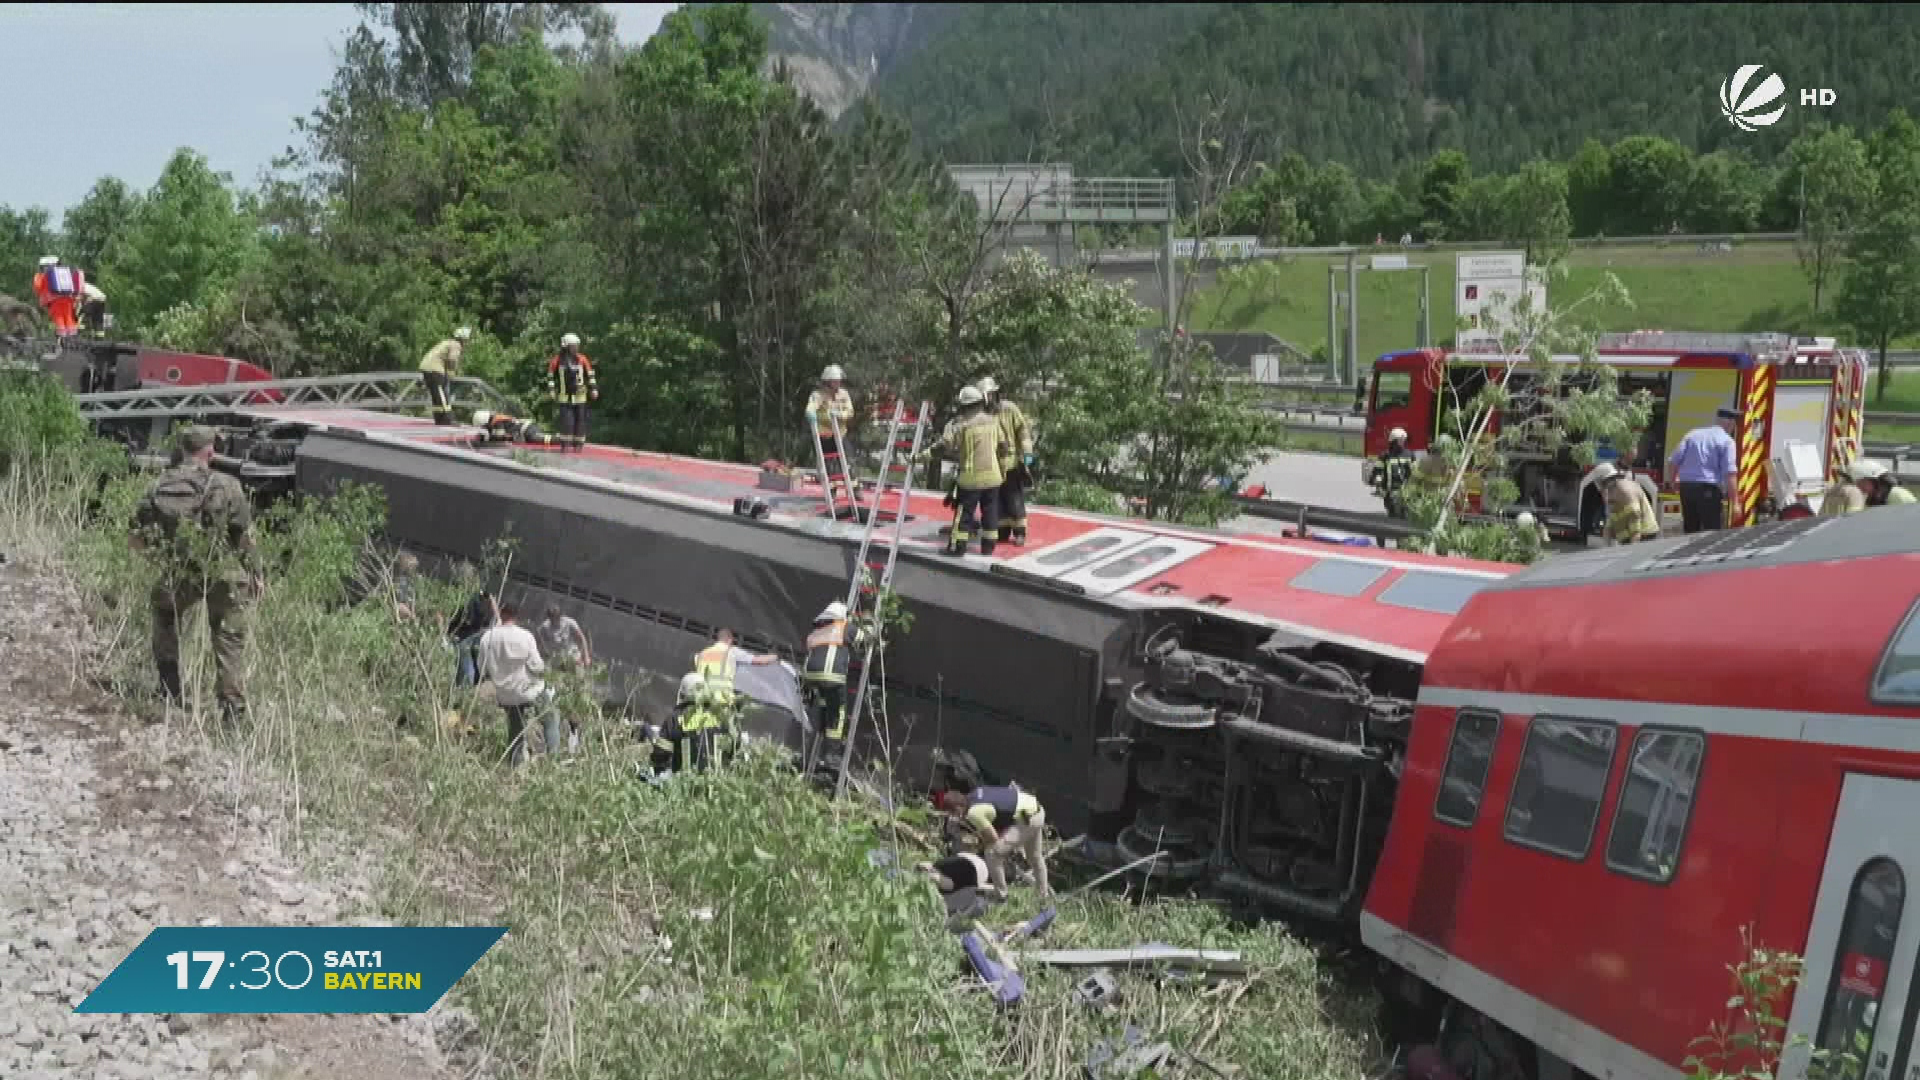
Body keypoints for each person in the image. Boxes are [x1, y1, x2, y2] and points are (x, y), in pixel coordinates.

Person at [128, 426, 261, 725]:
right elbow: (244, 537)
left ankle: (169, 689)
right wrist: (257, 573)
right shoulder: (228, 485)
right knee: (228, 640)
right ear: (210, 452)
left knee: (164, 611)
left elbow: (136, 538)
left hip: (181, 570)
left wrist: (161, 560)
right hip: (224, 572)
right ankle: (232, 715)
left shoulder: (158, 485)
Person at [923, 384, 1007, 557]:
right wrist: (1002, 467)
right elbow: (1003, 447)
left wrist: (921, 456)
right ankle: (988, 548)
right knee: (990, 512)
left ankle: (957, 548)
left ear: (964, 406)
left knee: (964, 515)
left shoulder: (961, 425)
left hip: (971, 480)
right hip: (993, 478)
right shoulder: (993, 421)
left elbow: (943, 447)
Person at [938, 783, 1051, 899]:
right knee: (1035, 857)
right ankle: (1043, 895)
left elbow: (993, 838)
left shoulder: (974, 813)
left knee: (992, 853)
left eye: (952, 813)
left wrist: (981, 846)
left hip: (1026, 819)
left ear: (958, 808)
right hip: (1036, 809)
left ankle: (1001, 894)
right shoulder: (975, 793)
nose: (953, 817)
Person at [477, 602, 553, 766]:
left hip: (505, 695)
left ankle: (515, 764)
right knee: (551, 717)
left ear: (502, 613)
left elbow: (481, 669)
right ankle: (555, 758)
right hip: (528, 690)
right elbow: (537, 666)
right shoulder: (525, 636)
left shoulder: (486, 638)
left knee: (515, 729)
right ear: (517, 616)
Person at [801, 600, 868, 770]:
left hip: (811, 677)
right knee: (838, 711)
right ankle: (831, 753)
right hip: (832, 676)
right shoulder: (844, 627)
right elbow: (864, 639)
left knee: (825, 705)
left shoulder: (817, 632)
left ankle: (814, 745)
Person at [977, 376, 1036, 546]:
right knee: (996, 501)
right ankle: (1001, 530)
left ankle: (1020, 533)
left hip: (1011, 464)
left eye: (990, 396)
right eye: (984, 397)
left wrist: (1027, 457)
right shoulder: (982, 415)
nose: (988, 400)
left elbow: (1023, 432)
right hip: (992, 465)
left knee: (1014, 499)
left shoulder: (1009, 409)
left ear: (996, 394)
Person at [1667, 407, 1739, 533]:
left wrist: (1673, 482)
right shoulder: (1727, 441)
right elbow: (1730, 474)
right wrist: (1736, 503)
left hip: (1687, 488)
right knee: (1711, 533)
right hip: (1708, 490)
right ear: (1731, 423)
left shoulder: (1692, 434)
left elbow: (1673, 461)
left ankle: (1689, 552)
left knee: (1690, 530)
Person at [805, 365, 857, 514]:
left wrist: (840, 415)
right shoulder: (818, 395)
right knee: (829, 465)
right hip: (825, 435)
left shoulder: (844, 394)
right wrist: (811, 414)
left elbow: (850, 411)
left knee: (849, 460)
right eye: (834, 381)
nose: (837, 384)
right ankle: (832, 491)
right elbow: (810, 407)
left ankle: (854, 489)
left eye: (839, 381)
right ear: (827, 381)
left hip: (840, 433)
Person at [547, 333, 598, 450]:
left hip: (580, 396)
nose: (576, 348)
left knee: (580, 422)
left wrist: (594, 389)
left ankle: (578, 445)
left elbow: (590, 375)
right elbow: (550, 376)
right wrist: (551, 390)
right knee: (567, 422)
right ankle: (565, 445)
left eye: (576, 346)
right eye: (573, 346)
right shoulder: (557, 361)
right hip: (564, 397)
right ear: (566, 346)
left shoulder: (582, 359)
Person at [1593, 462, 1661, 544]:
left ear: (1607, 482)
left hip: (1645, 536)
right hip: (1630, 537)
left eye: (1603, 487)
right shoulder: (1613, 492)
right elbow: (1608, 526)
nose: (1605, 495)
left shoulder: (1626, 495)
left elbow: (1636, 534)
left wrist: (1630, 554)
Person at [419, 327, 472, 426]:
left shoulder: (447, 342)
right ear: (463, 339)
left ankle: (439, 420)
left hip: (427, 368)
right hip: (435, 369)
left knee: (436, 397)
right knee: (442, 395)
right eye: (467, 340)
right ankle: (448, 420)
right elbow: (452, 359)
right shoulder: (456, 345)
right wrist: (451, 371)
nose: (467, 342)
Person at [448, 586, 497, 688]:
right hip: (463, 640)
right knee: (469, 673)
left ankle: (467, 686)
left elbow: (497, 621)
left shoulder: (480, 606)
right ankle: (464, 689)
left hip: (469, 639)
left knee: (472, 670)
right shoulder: (471, 605)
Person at [32, 256, 87, 336]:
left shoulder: (42, 275)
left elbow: (37, 287)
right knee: (69, 318)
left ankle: (62, 339)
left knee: (59, 319)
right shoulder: (64, 273)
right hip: (68, 299)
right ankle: (73, 338)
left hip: (54, 301)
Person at [1850, 458, 1918, 508]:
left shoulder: (1898, 495)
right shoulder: (1877, 498)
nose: (1859, 488)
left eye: (1861, 483)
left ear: (1875, 482)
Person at [469, 409, 559, 446]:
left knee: (535, 439)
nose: (484, 427)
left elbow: (500, 438)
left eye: (483, 426)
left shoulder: (497, 421)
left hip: (527, 429)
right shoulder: (495, 420)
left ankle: (561, 439)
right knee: (532, 439)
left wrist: (484, 438)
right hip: (525, 429)